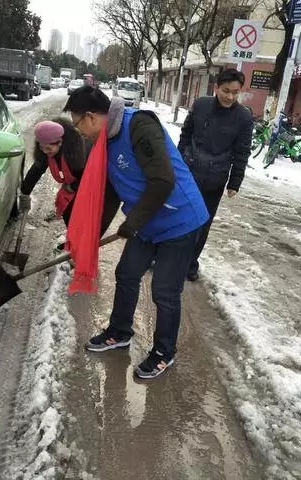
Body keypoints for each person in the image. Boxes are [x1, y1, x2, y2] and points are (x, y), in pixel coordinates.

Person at [63, 86, 209, 379]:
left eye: (78, 124)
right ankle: (119, 332)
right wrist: (89, 239)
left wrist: (132, 223)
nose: (80, 132)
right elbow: (109, 191)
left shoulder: (139, 125)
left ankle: (164, 353)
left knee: (164, 292)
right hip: (148, 223)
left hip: (179, 220)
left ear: (91, 117)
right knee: (127, 273)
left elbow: (163, 181)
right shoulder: (103, 141)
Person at [177, 68, 253, 282]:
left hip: (215, 179)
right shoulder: (201, 105)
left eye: (235, 93)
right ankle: (165, 257)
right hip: (189, 173)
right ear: (216, 87)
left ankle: (190, 264)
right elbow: (186, 133)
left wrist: (235, 181)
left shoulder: (243, 117)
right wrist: (179, 159)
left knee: (202, 224)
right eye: (226, 91)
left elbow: (242, 152)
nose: (230, 96)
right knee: (179, 217)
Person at [19, 118, 119, 250]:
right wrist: (25, 192)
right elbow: (36, 170)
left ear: (60, 143)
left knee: (87, 219)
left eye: (48, 148)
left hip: (101, 184)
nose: (45, 151)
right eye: (42, 148)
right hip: (75, 180)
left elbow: (90, 176)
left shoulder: (80, 149)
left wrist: (73, 186)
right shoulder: (46, 148)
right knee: (67, 211)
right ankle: (73, 242)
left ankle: (82, 250)